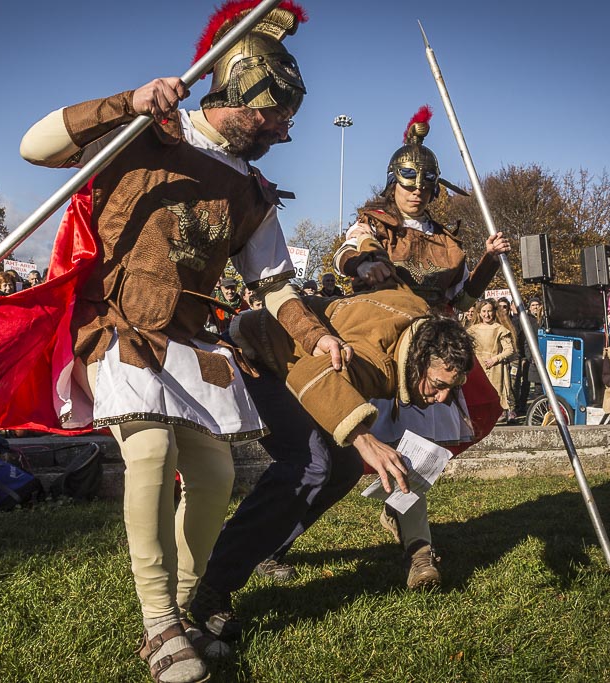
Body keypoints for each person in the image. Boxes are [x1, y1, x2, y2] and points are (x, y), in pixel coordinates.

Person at [0, 4, 348, 681]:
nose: (282, 130)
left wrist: (316, 331)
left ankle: (187, 607)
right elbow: (33, 148)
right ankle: (159, 626)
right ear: (239, 91)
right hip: (119, 327)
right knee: (152, 453)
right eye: (274, 115)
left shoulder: (249, 189)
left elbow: (273, 282)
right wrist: (125, 102)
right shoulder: (141, 134)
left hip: (190, 344)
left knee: (216, 475)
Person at [192, 278, 491, 642]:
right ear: (418, 360)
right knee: (309, 464)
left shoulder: (421, 327)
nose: (443, 398)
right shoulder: (374, 359)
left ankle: (265, 549)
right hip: (259, 356)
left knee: (344, 468)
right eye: (437, 385)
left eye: (451, 388)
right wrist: (364, 439)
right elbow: (309, 373)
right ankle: (211, 582)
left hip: (294, 363)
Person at [323, 106, 508, 588]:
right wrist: (365, 264)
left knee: (418, 454)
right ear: (393, 183)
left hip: (431, 355)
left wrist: (487, 260)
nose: (417, 192)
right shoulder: (374, 224)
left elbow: (462, 298)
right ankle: (272, 539)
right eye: (408, 184)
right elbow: (348, 252)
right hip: (380, 347)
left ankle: (419, 553)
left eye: (426, 185)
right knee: (326, 459)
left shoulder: (448, 242)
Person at [468, 299, 516, 418]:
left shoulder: (499, 329)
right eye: (484, 311)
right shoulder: (473, 330)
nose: (487, 314)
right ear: (479, 312)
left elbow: (509, 349)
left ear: (494, 312)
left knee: (495, 392)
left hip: (495, 368)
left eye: (489, 311)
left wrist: (495, 359)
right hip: (478, 367)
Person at [514, 296, 544, 415]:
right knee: (535, 387)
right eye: (533, 305)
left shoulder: (544, 321)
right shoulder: (527, 321)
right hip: (532, 358)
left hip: (546, 356)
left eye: (537, 305)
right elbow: (526, 341)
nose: (535, 307)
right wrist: (529, 357)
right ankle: (535, 411)